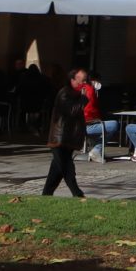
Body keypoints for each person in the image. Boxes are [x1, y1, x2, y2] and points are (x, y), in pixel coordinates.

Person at [43, 69, 92, 197]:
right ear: (73, 80)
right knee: (67, 167)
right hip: (60, 138)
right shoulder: (64, 93)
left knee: (57, 168)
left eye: (86, 80)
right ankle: (77, 194)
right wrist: (84, 99)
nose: (84, 83)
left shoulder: (76, 94)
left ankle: (46, 194)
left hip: (68, 138)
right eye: (82, 80)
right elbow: (71, 111)